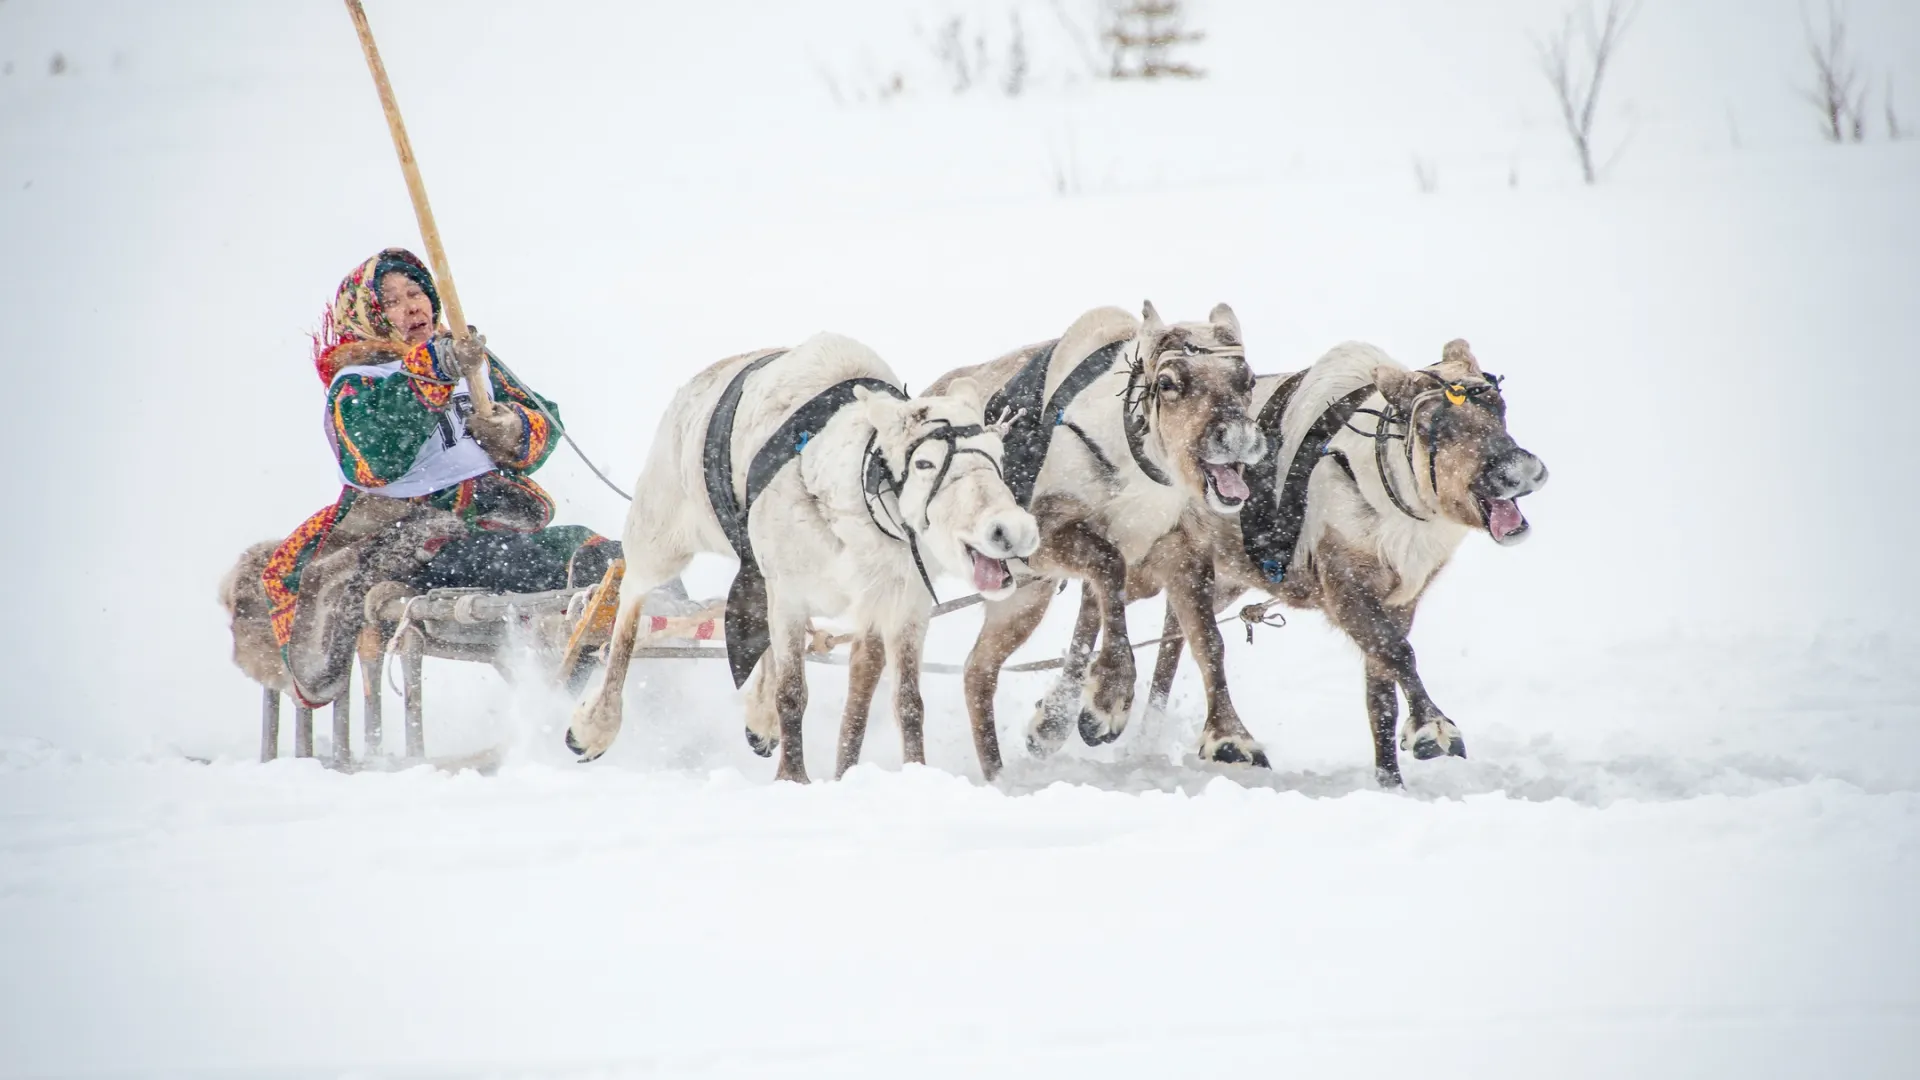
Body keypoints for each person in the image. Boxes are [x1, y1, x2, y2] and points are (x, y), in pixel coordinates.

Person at [262, 248, 620, 706]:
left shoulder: (471, 361)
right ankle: (564, 702)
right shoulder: (358, 383)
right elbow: (375, 459)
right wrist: (435, 369)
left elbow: (544, 418)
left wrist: (512, 427)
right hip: (412, 540)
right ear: (368, 316)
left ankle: (662, 689)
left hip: (498, 518)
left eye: (417, 292)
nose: (412, 306)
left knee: (614, 559)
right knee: (525, 564)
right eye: (391, 301)